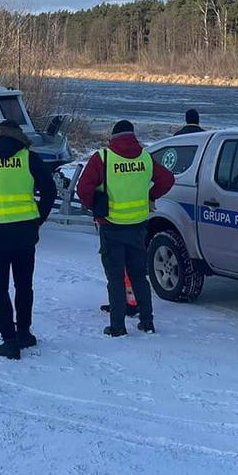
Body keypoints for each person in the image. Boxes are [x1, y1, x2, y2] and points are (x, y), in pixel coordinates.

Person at [76, 120, 175, 337]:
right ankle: (147, 322)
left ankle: (118, 326)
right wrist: (150, 195)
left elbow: (83, 189)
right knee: (139, 275)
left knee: (115, 278)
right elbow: (167, 179)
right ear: (133, 137)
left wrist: (95, 205)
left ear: (113, 138)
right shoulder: (145, 158)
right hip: (138, 226)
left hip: (111, 227)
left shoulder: (103, 158)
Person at [0, 119, 57, 360]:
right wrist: (38, 218)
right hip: (24, 232)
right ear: (19, 136)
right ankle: (24, 332)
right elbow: (49, 190)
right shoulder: (29, 157)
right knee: (23, 285)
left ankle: (8, 340)